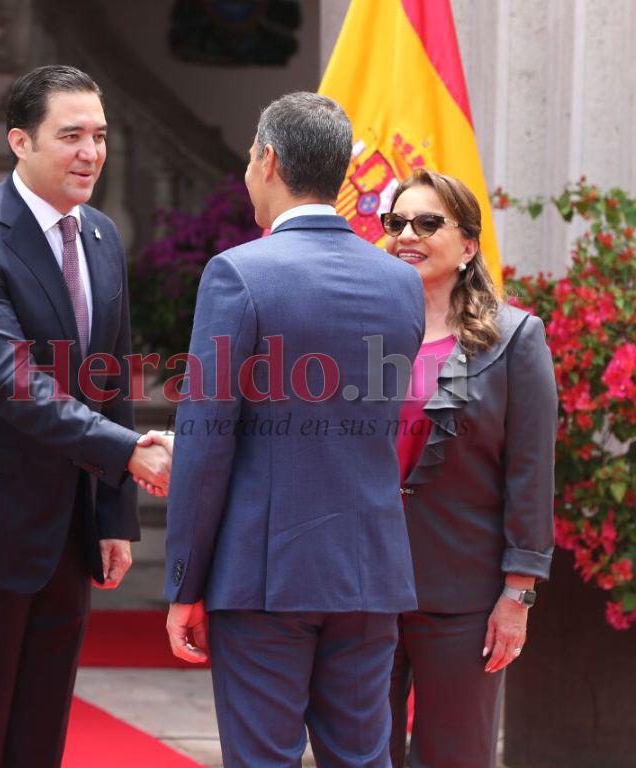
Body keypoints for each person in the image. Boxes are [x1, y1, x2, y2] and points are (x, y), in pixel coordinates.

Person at [0, 64, 171, 768]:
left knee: (39, 733)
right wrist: (127, 452)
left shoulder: (104, 237)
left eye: (101, 136)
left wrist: (113, 516)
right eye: (71, 135)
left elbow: (108, 377)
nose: (91, 152)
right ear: (20, 142)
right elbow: (12, 383)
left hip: (67, 529)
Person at [161, 92, 425, 766]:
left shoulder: (239, 274)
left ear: (268, 161)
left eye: (251, 156)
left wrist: (185, 583)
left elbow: (206, 441)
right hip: (368, 568)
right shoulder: (402, 283)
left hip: (266, 573)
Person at [382, 169, 557, 768]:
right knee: (356, 754)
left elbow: (530, 474)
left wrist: (519, 592)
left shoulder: (515, 338)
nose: (408, 234)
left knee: (453, 755)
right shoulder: (361, 331)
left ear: (470, 245)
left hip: (466, 594)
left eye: (428, 223)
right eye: (396, 222)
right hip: (363, 584)